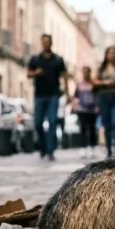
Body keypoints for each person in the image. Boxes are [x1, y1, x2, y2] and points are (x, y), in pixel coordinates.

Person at [27, 33, 69, 161]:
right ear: (41, 43)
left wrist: (68, 94)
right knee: (38, 123)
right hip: (39, 95)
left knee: (52, 122)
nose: (46, 43)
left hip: (53, 95)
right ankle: (43, 146)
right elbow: (28, 74)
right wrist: (36, 73)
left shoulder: (58, 60)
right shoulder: (35, 59)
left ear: (51, 43)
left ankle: (50, 150)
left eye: (48, 41)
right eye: (43, 41)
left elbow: (64, 76)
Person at [93, 46, 115, 158]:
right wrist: (106, 83)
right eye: (110, 53)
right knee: (106, 124)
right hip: (104, 97)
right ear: (106, 55)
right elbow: (94, 81)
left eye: (114, 53)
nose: (112, 55)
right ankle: (108, 149)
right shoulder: (101, 68)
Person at [73, 66, 98, 159]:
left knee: (91, 129)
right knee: (83, 129)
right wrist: (75, 105)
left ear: (90, 73)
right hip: (82, 110)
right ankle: (83, 148)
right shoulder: (79, 84)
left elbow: (97, 95)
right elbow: (76, 96)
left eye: (87, 72)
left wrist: (97, 106)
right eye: (84, 72)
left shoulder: (94, 84)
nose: (85, 74)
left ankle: (92, 147)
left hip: (92, 110)